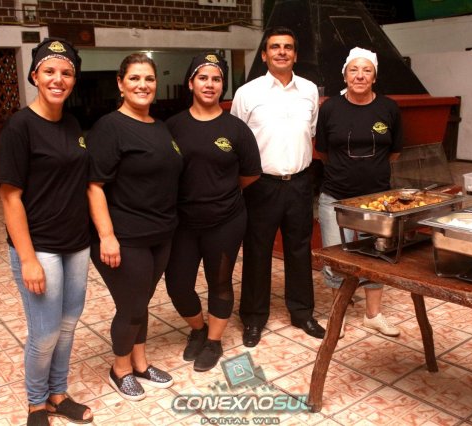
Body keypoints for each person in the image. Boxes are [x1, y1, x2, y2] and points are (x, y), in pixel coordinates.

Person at [0, 38, 93, 425]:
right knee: (46, 331)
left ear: (74, 80)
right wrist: (27, 259)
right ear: (35, 75)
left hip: (77, 244)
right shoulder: (19, 127)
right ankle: (36, 403)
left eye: (66, 72)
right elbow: (10, 198)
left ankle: (58, 394)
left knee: (68, 325)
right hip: (40, 247)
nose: (58, 79)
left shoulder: (72, 123)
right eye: (50, 71)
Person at [86, 53, 183, 400]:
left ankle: (140, 363)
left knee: (141, 301)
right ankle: (120, 369)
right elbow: (94, 185)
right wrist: (107, 236)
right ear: (121, 83)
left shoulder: (159, 126)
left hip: (160, 234)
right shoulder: (109, 127)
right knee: (130, 305)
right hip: (126, 236)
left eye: (149, 79)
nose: (143, 85)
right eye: (135, 78)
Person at [165, 53, 262, 371]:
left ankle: (214, 341)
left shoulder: (236, 129)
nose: (210, 84)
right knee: (178, 285)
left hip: (226, 220)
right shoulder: (172, 127)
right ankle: (198, 329)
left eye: (216, 79)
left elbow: (250, 173)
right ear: (190, 83)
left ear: (223, 85)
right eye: (203, 78)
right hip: (183, 222)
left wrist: (219, 192)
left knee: (219, 281)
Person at [231, 27, 325, 348]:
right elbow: (238, 140)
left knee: (299, 249)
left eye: (287, 47)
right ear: (264, 54)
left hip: (300, 183)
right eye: (275, 47)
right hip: (261, 185)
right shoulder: (247, 93)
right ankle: (253, 318)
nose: (281, 52)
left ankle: (302, 313)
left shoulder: (309, 90)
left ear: (295, 55)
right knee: (257, 251)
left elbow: (311, 132)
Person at [315, 47, 402, 338]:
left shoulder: (389, 108)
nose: (360, 75)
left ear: (374, 77)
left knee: (375, 256)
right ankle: (338, 314)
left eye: (366, 70)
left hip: (377, 200)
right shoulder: (330, 108)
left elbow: (394, 152)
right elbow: (323, 151)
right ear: (345, 75)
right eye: (354, 70)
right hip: (335, 197)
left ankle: (373, 315)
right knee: (337, 259)